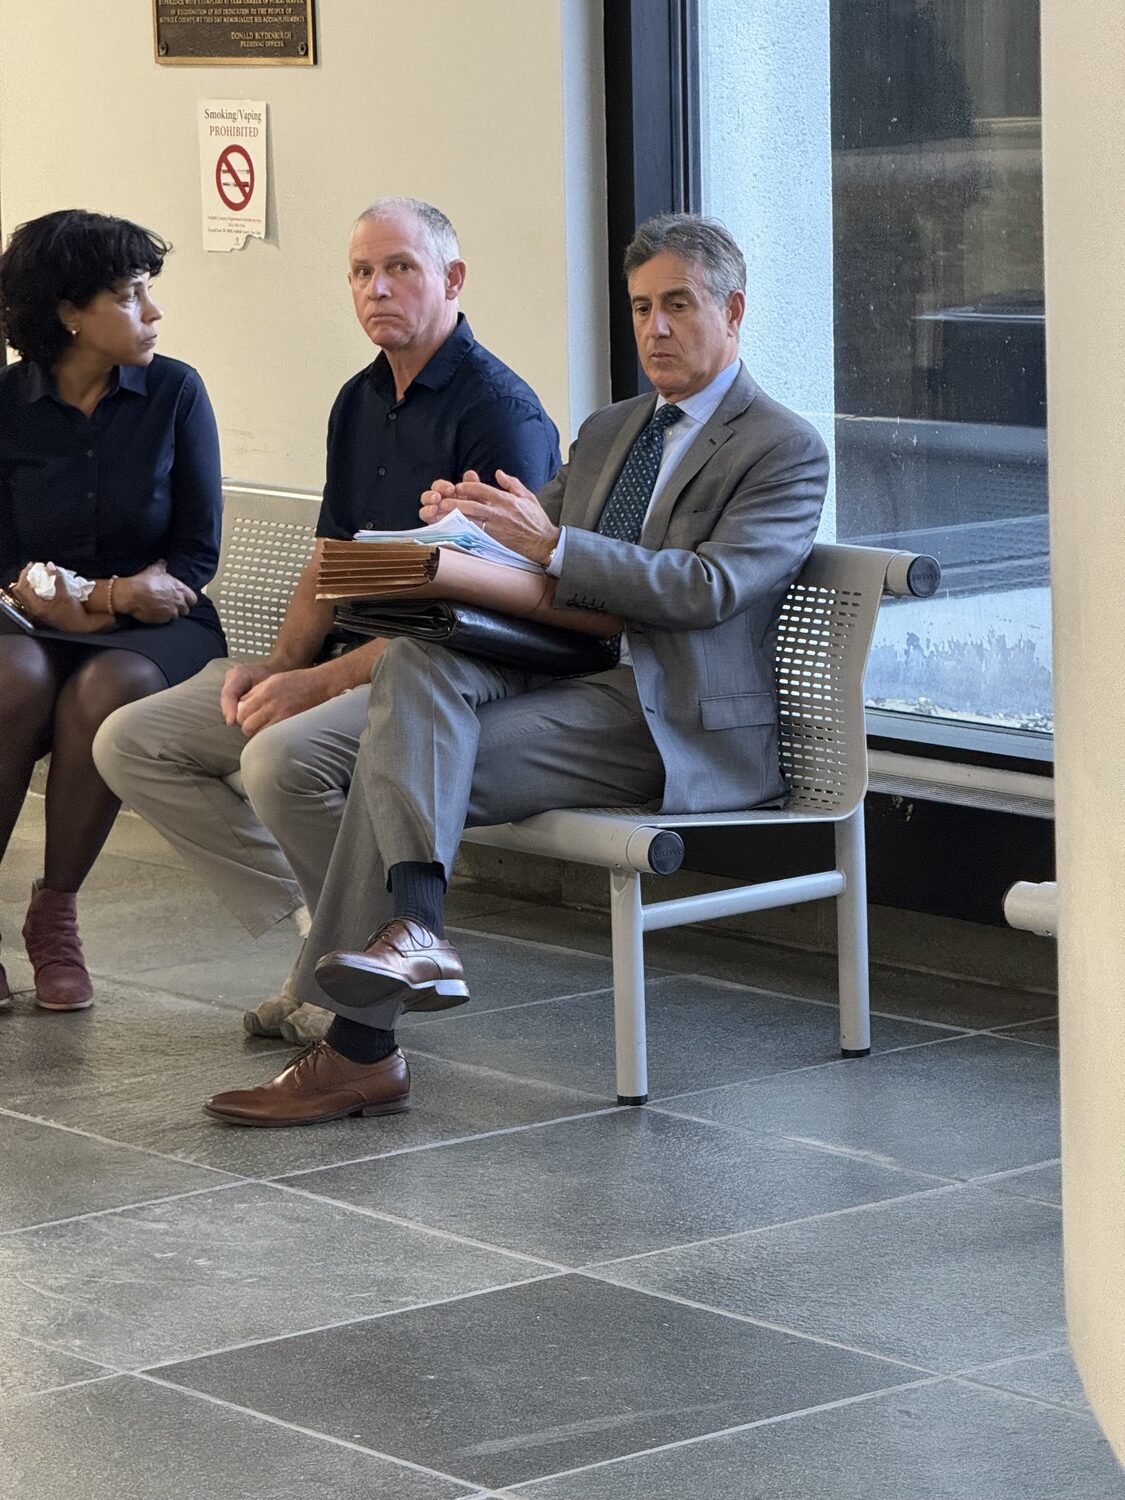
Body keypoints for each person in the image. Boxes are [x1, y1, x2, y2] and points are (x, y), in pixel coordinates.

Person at [202, 211, 830, 1128]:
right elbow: (529, 538)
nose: (655, 329)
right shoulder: (613, 428)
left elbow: (707, 587)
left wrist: (553, 540)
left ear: (732, 311)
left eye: (679, 307)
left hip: (663, 716)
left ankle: (361, 1048)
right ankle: (410, 941)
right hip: (561, 672)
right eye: (641, 308)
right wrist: (464, 522)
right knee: (417, 664)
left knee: (398, 752)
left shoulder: (781, 446)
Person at [93, 197, 561, 1041]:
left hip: (438, 674)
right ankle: (326, 935)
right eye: (359, 272)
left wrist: (318, 682)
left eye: (400, 269)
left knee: (278, 760)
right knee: (131, 740)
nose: (376, 288)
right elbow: (329, 558)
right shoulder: (359, 398)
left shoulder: (501, 414)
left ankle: (350, 986)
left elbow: (479, 611)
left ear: (452, 280)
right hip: (347, 654)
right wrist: (280, 664)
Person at [0, 208, 224, 1014]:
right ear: (69, 312)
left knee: (106, 689)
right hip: (33, 619)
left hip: (159, 628)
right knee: (14, 675)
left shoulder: (175, 392)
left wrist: (116, 602)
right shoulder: (6, 403)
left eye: (149, 293)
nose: (153, 313)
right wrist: (86, 596)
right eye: (131, 296)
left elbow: (197, 555)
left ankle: (55, 916)